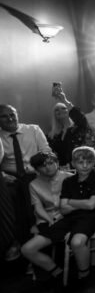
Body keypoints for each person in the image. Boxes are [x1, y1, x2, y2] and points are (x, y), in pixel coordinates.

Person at [21, 147, 95, 289]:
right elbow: (65, 208)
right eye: (43, 165)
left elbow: (91, 205)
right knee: (27, 249)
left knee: (76, 242)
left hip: (86, 218)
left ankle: (83, 275)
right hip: (64, 218)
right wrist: (84, 204)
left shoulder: (90, 178)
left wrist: (72, 203)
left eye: (50, 163)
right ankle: (58, 272)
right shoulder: (68, 181)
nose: (85, 166)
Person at [1, 104, 51, 259]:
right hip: (10, 178)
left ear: (17, 114)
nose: (10, 118)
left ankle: (36, 244)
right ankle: (18, 243)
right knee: (12, 202)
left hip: (34, 173)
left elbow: (46, 151)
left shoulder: (33, 129)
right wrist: (2, 175)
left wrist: (37, 167)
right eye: (4, 116)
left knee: (31, 194)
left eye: (12, 114)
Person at [48, 86, 95, 170]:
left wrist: (64, 100)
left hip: (87, 166)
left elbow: (80, 117)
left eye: (63, 108)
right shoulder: (54, 135)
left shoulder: (79, 127)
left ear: (69, 111)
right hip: (68, 171)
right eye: (57, 110)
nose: (60, 110)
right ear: (54, 115)